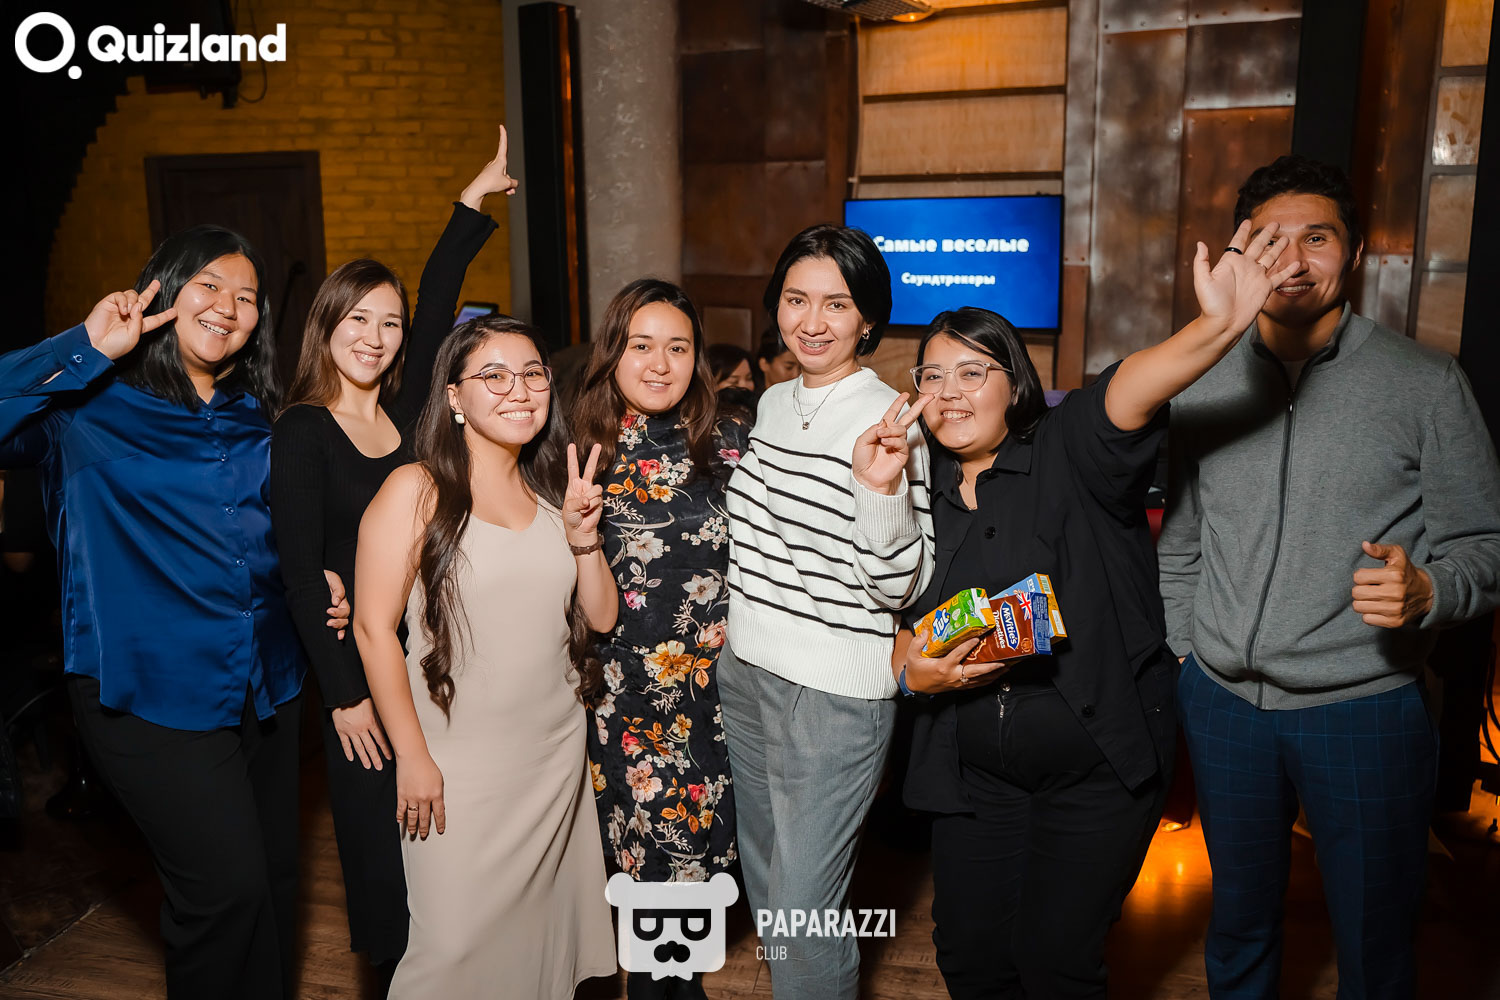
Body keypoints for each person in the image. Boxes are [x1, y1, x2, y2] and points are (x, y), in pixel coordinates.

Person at [893, 216, 1296, 998]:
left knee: (1055, 963)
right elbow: (893, 620)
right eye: (932, 376)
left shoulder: (1070, 448)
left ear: (1015, 383)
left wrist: (1214, 327)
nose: (949, 392)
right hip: (975, 776)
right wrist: (915, 674)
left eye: (973, 371)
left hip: (1095, 766)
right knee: (970, 956)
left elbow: (1129, 389)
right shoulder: (913, 487)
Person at [1157, 154, 1500, 1000]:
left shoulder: (1426, 384)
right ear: (1241, 253)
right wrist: (1186, 653)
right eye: (1271, 240)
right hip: (1223, 705)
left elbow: (1484, 545)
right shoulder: (1201, 378)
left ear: (1354, 253)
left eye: (1318, 237)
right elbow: (1182, 540)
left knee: (1376, 942)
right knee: (1237, 923)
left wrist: (1430, 591)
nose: (1294, 259)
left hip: (1364, 707)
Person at [0, 227, 346, 997]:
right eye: (209, 285)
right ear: (161, 289)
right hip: (146, 694)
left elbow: (275, 534)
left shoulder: (258, 417)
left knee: (273, 887)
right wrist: (85, 346)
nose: (229, 306)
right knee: (224, 894)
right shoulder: (82, 412)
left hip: (267, 685)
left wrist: (320, 571)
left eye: (247, 297)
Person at [269, 128, 514, 988]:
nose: (374, 338)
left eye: (389, 323)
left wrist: (471, 203)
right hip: (358, 670)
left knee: (439, 842)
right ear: (325, 327)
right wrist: (342, 699)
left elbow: (440, 299)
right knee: (381, 859)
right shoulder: (303, 431)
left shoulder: (407, 416)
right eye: (357, 320)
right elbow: (300, 573)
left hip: (430, 655)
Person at [353, 316, 617, 999]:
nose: (518, 390)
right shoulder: (415, 490)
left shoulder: (554, 492)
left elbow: (601, 617)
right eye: (493, 376)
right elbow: (373, 630)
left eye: (532, 374)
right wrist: (412, 757)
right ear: (454, 397)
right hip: (458, 765)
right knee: (451, 948)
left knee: (535, 945)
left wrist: (584, 538)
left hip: (553, 757)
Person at [717, 223, 933, 999]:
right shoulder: (774, 403)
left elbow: (902, 584)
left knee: (804, 911)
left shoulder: (890, 420)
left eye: (836, 304)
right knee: (771, 890)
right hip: (746, 671)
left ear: (867, 319)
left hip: (834, 695)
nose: (811, 321)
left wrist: (879, 491)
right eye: (796, 299)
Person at [569, 279, 746, 998]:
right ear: (612, 352)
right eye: (641, 345)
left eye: (678, 346)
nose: (660, 363)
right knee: (652, 896)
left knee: (699, 886)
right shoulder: (581, 452)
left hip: (722, 700)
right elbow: (589, 605)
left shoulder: (731, 441)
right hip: (632, 705)